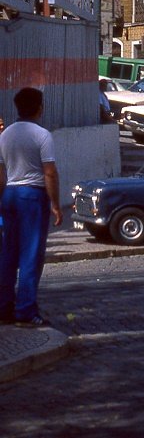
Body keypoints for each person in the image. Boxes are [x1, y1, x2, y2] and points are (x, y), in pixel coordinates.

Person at [0, 87, 63, 326]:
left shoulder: (5, 135)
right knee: (30, 254)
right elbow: (50, 172)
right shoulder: (42, 135)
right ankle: (25, 310)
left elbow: (0, 175)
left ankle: (3, 307)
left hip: (10, 194)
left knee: (8, 253)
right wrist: (56, 204)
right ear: (39, 107)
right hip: (32, 196)